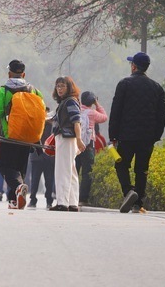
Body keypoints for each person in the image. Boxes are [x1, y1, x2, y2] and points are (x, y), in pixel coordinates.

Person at [108, 51, 165, 214]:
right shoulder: (157, 88)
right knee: (142, 169)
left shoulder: (124, 84)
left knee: (121, 165)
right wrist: (156, 135)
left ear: (133, 66)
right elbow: (162, 115)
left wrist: (112, 135)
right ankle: (138, 203)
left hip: (126, 136)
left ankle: (129, 192)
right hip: (147, 138)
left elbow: (116, 111)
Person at [0, 59, 46, 210]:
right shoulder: (34, 90)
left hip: (11, 136)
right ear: (24, 74)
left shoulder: (4, 91)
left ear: (9, 74)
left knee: (2, 163)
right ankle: (14, 200)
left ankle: (19, 187)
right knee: (20, 168)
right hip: (28, 137)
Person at [50, 75, 86, 211]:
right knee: (70, 171)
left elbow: (76, 121)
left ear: (69, 87)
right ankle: (72, 203)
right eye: (58, 86)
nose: (59, 89)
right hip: (68, 138)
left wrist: (79, 138)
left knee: (62, 171)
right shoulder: (66, 102)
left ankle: (62, 203)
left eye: (62, 86)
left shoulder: (70, 102)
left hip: (67, 138)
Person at [76, 90, 107, 205]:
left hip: (76, 144)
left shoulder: (77, 110)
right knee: (87, 173)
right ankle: (82, 199)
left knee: (74, 171)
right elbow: (104, 117)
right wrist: (97, 104)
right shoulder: (92, 113)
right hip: (88, 145)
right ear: (92, 101)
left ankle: (71, 197)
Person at [27, 115, 55, 208]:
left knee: (37, 179)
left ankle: (34, 200)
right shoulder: (52, 127)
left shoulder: (35, 125)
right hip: (47, 157)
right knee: (47, 180)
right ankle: (48, 201)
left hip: (38, 157)